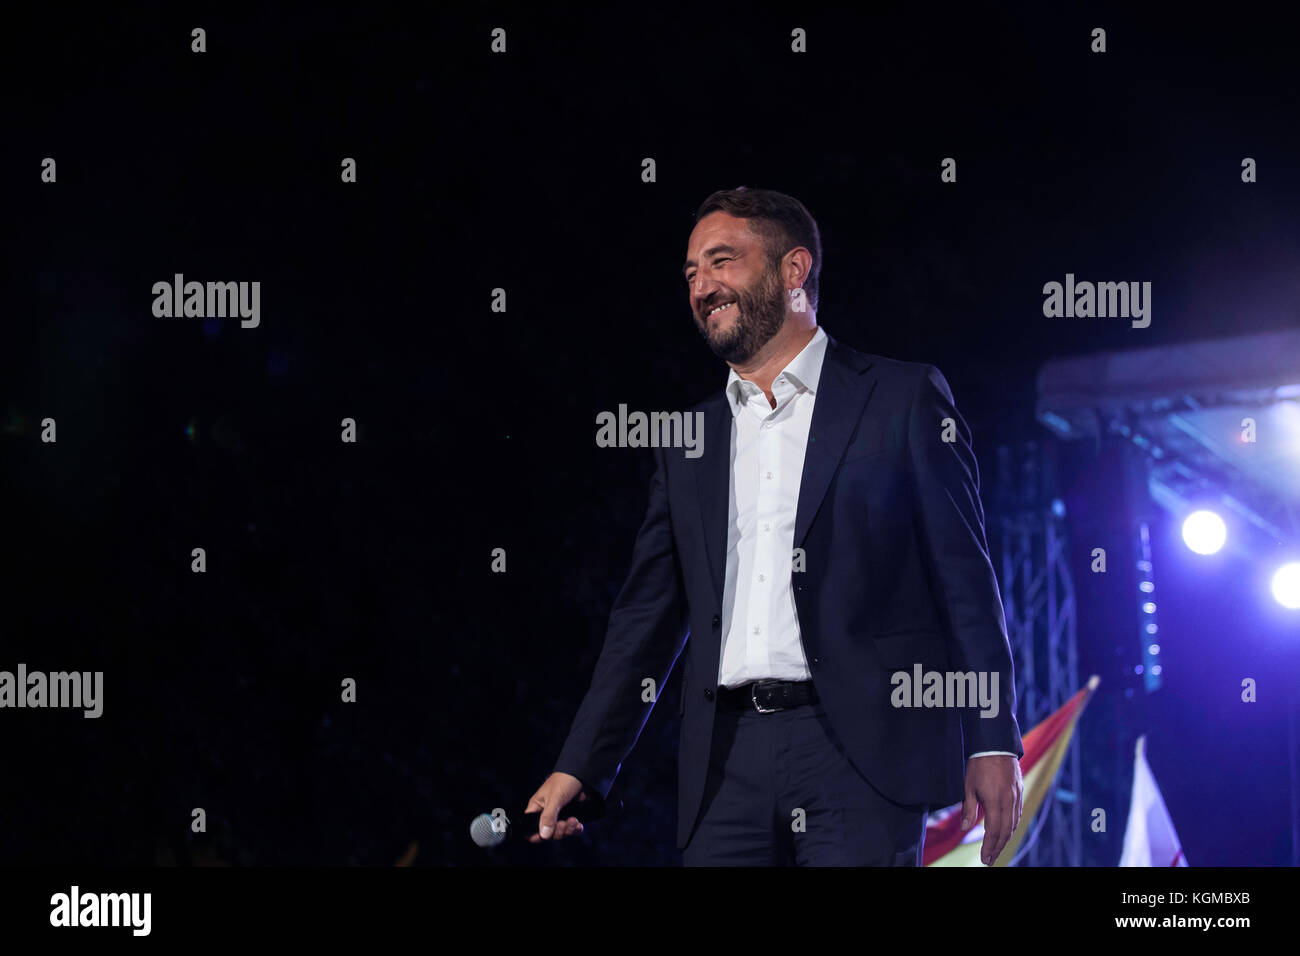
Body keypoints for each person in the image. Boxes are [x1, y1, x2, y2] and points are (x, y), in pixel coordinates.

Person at [526, 186, 1024, 865]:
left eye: (722, 262)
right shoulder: (689, 439)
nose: (703, 286)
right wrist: (580, 763)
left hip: (860, 754)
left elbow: (965, 580)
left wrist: (993, 737)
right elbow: (644, 619)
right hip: (724, 765)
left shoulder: (901, 398)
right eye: (692, 273)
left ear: (793, 271)